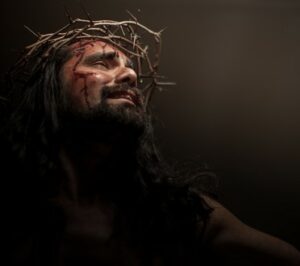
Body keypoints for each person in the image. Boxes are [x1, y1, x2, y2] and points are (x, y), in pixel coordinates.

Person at [2, 15, 300, 266]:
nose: (131, 74)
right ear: (52, 89)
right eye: (103, 64)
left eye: (129, 67)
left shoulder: (178, 215)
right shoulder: (15, 205)